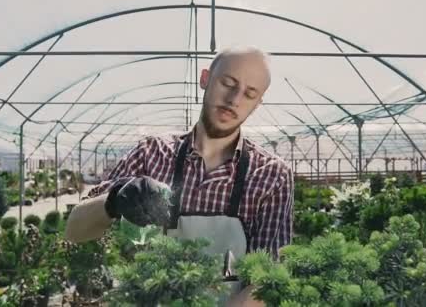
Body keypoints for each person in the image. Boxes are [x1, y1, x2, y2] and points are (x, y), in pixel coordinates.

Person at [65, 46, 294, 306]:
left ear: (257, 103)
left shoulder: (271, 175)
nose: (234, 99)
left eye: (249, 94)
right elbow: (74, 230)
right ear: (205, 79)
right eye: (228, 83)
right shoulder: (151, 153)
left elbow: (267, 278)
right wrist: (114, 200)